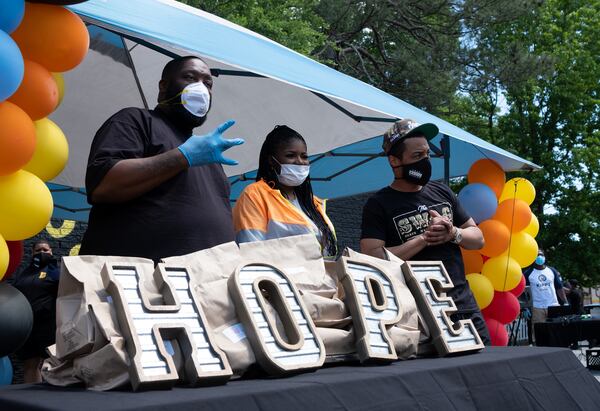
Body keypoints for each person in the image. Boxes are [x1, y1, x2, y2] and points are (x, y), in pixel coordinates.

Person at [79, 56, 244, 262]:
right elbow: (104, 185)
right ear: (163, 86)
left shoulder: (208, 154)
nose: (201, 88)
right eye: (190, 77)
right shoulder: (135, 121)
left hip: (205, 283)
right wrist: (183, 156)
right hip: (138, 282)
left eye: (208, 83)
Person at [359, 119, 490, 345]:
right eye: (417, 156)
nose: (425, 161)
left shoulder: (443, 191)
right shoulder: (378, 204)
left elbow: (478, 239)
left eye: (427, 154)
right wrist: (422, 239)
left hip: (463, 306)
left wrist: (454, 234)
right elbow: (371, 257)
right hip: (416, 316)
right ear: (394, 161)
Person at [233, 125, 337, 257]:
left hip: (320, 276)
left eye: (304, 156)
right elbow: (251, 250)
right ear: (271, 161)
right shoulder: (254, 195)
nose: (299, 162)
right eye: (290, 155)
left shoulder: (313, 203)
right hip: (278, 277)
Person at [9, 241, 60, 383]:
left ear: (51, 252)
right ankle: (31, 399)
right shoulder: (24, 273)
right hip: (27, 325)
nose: (42, 252)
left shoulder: (55, 271)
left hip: (47, 326)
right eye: (38, 250)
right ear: (32, 253)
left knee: (49, 365)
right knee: (30, 364)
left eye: (45, 249)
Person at [524, 249, 567, 324]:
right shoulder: (528, 273)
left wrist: (565, 302)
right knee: (539, 332)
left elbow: (559, 288)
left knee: (556, 330)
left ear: (544, 257)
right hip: (537, 308)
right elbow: (524, 292)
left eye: (541, 255)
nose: (539, 257)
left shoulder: (552, 270)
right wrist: (525, 308)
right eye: (537, 255)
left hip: (554, 306)